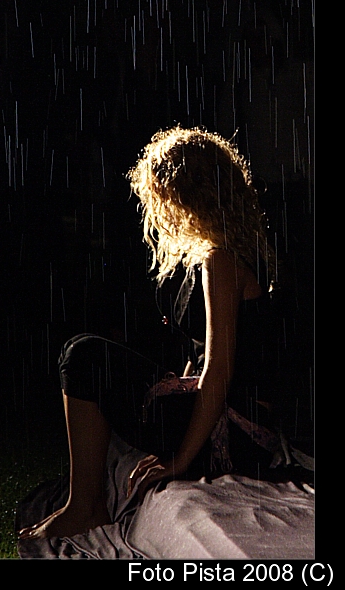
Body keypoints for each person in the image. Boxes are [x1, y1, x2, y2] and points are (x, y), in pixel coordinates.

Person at [18, 125, 286, 541]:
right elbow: (204, 357)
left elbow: (220, 370)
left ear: (187, 195)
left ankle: (85, 507)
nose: (160, 209)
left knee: (83, 355)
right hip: (231, 423)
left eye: (163, 197)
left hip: (235, 436)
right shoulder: (220, 253)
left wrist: (180, 460)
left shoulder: (221, 260)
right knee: (85, 352)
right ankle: (84, 503)